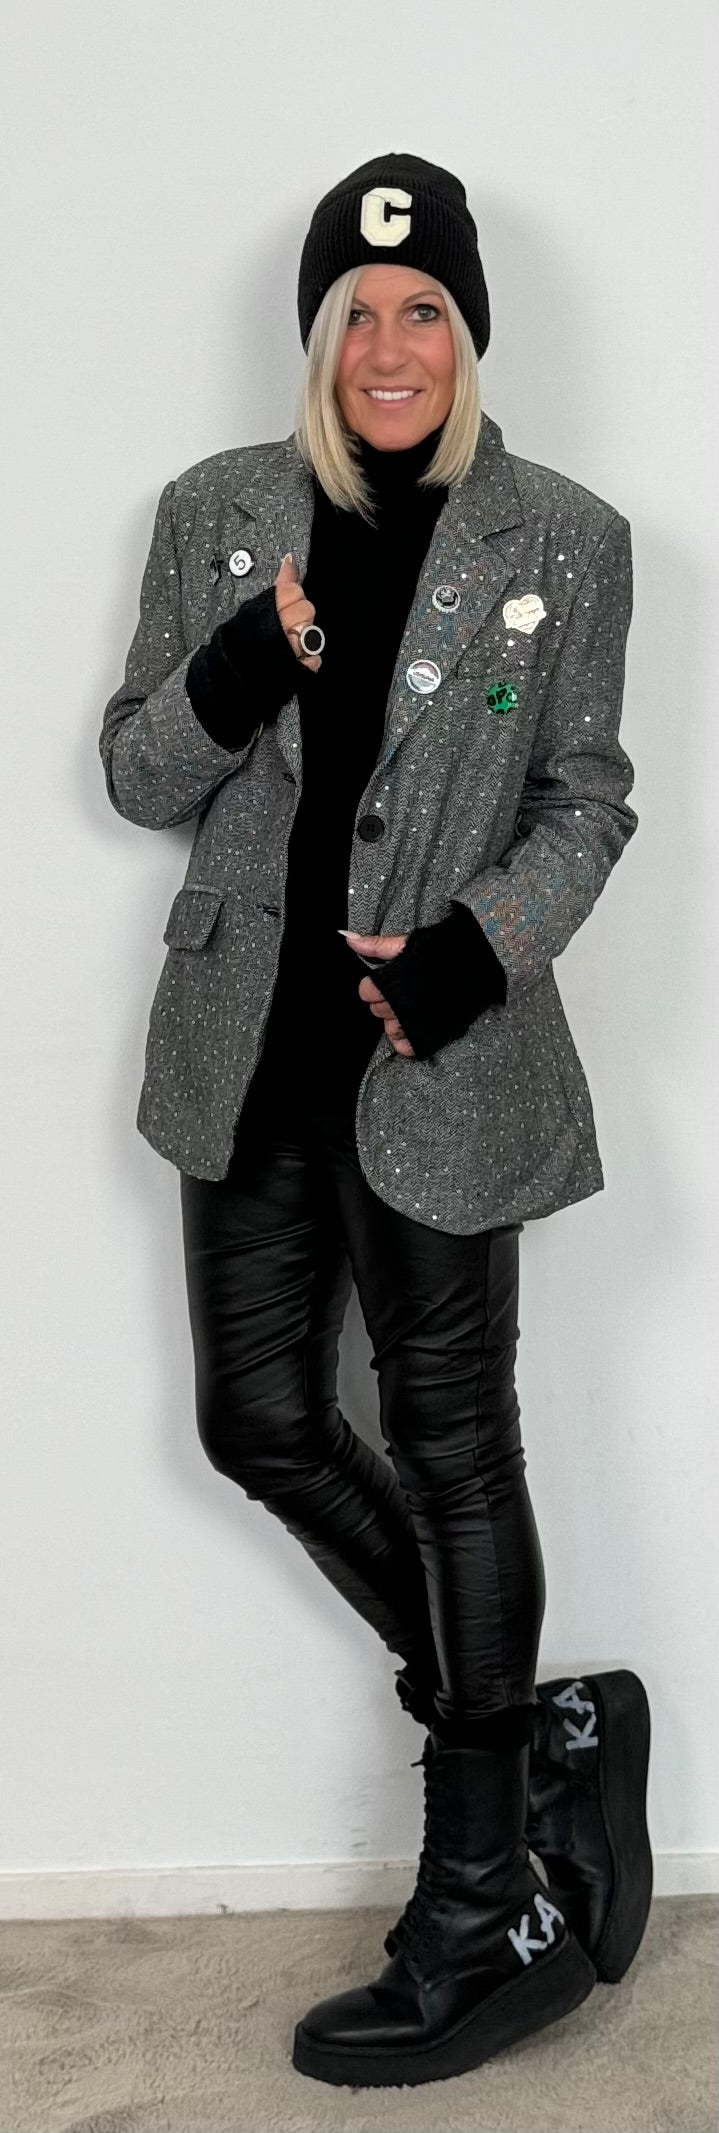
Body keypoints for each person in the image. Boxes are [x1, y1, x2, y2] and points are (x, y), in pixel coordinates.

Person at [99, 152, 652, 2091]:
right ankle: (528, 1724)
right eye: (360, 312)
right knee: (257, 1418)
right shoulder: (218, 511)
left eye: (427, 312)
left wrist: (473, 953)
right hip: (245, 1056)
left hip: (445, 1061)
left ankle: (481, 1900)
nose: (392, 344)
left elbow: (588, 795)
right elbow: (139, 770)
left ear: (467, 336)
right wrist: (239, 659)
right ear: (320, 333)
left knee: (454, 1447)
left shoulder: (567, 535)